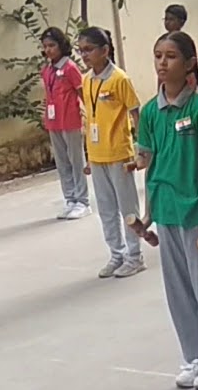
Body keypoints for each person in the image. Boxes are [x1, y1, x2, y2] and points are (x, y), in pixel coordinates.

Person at [134, 31, 198, 390]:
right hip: (167, 212)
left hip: (197, 213)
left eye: (171, 56)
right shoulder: (149, 112)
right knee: (177, 290)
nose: (162, 63)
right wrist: (147, 216)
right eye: (158, 55)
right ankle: (193, 354)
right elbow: (151, 168)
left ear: (189, 63)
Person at [77, 26, 145, 279]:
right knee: (106, 208)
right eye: (81, 50)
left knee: (127, 206)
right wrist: (87, 154)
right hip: (97, 154)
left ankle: (135, 255)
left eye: (89, 49)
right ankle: (116, 253)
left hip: (118, 152)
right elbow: (90, 117)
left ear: (105, 50)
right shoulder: (86, 80)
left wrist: (142, 148)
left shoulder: (119, 79)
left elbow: (135, 112)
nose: (84, 55)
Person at [40, 27, 90, 219]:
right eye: (45, 46)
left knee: (76, 160)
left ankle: (83, 200)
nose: (48, 50)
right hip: (54, 121)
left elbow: (81, 93)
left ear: (62, 45)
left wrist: (90, 117)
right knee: (62, 162)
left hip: (71, 120)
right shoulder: (47, 70)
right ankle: (70, 198)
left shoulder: (70, 68)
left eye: (52, 45)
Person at [164, 4, 198, 93]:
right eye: (166, 19)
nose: (167, 22)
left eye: (171, 19)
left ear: (181, 22)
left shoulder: (185, 41)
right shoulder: (163, 41)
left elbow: (194, 68)